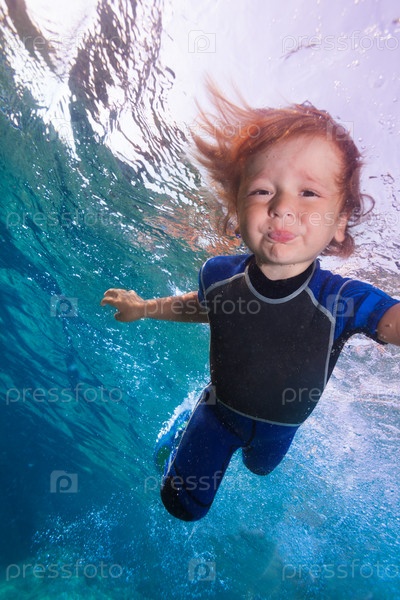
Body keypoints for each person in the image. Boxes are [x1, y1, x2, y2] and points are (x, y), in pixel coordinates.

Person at [101, 86, 400, 522]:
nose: (281, 207)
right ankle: (185, 426)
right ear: (236, 207)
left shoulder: (343, 299)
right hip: (219, 413)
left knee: (260, 469)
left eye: (308, 193)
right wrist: (144, 307)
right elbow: (202, 306)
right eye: (262, 191)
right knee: (182, 506)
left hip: (281, 430)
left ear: (339, 222)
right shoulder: (220, 274)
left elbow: (392, 321)